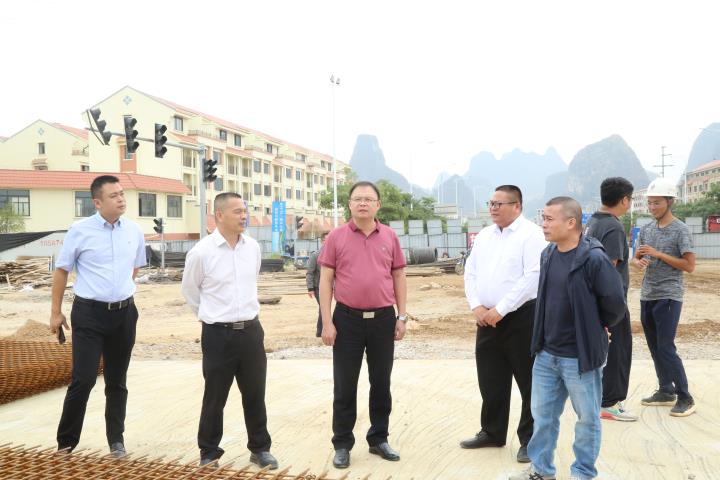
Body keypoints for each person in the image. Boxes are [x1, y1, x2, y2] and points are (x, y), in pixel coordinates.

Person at [510, 196, 626, 480]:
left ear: (571, 222)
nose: (543, 224)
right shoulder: (548, 254)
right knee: (543, 417)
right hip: (546, 354)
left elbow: (615, 304)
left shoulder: (593, 258)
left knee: (587, 419)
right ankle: (541, 470)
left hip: (580, 358)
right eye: (543, 218)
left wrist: (598, 326)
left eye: (549, 219)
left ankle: (583, 473)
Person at [49, 175, 146, 457]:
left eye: (122, 193)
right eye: (114, 195)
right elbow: (62, 270)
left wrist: (120, 291)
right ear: (98, 202)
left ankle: (116, 440)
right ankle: (66, 443)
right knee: (84, 379)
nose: (121, 199)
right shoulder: (80, 230)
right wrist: (55, 312)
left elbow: (135, 267)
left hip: (124, 314)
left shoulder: (134, 230)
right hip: (89, 314)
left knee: (117, 381)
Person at [181, 193, 278, 469]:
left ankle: (260, 448)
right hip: (218, 335)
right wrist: (210, 317)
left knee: (255, 394)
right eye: (237, 211)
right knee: (215, 396)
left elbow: (251, 280)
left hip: (251, 332)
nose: (243, 216)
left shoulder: (253, 248)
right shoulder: (201, 252)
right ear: (219, 215)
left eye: (244, 210)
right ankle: (209, 452)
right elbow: (190, 291)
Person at [318, 181, 407, 469]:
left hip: (383, 319)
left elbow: (399, 276)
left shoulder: (390, 236)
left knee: (381, 383)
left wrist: (402, 316)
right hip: (346, 321)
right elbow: (326, 280)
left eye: (369, 199)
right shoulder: (336, 237)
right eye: (358, 199)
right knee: (345, 385)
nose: (363, 203)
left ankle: (379, 438)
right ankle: (342, 444)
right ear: (350, 204)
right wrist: (327, 322)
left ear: (378, 204)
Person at [461, 185, 547, 463]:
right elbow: (470, 272)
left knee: (529, 382)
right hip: (486, 318)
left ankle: (530, 440)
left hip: (522, 317)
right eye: (491, 203)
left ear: (517, 206)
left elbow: (533, 276)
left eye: (499, 204)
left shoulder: (531, 234)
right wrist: (476, 305)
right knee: (491, 379)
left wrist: (501, 309)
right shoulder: (485, 235)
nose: (493, 208)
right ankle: (492, 431)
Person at [633, 177, 696, 417]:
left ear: (670, 201)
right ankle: (665, 390)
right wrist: (638, 261)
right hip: (647, 295)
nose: (652, 207)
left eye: (656, 202)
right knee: (654, 346)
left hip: (669, 295)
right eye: (650, 203)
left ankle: (685, 397)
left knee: (666, 347)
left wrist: (659, 254)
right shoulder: (646, 229)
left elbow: (689, 266)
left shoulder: (681, 230)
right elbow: (636, 258)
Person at [584, 177, 637, 422]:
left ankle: (599, 399)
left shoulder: (593, 222)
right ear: (624, 199)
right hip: (611, 303)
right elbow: (609, 268)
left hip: (594, 300)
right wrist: (610, 308)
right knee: (618, 352)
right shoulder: (613, 227)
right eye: (630, 199)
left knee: (602, 352)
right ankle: (610, 403)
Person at [306, 232, 329, 337]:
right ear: (322, 241)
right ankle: (321, 331)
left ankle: (322, 330)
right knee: (323, 307)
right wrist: (310, 288)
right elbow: (310, 272)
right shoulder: (315, 255)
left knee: (325, 307)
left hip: (330, 286)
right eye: (327, 239)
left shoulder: (334, 254)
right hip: (318, 287)